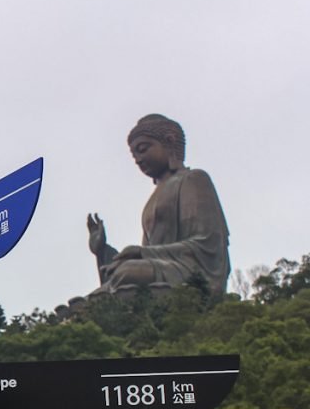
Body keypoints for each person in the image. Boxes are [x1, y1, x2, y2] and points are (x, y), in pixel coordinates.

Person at [88, 114, 230, 294]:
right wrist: (102, 251)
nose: (138, 160)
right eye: (134, 156)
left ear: (169, 142)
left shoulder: (193, 179)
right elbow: (145, 254)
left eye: (143, 149)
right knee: (103, 288)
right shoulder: (154, 198)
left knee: (128, 272)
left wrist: (143, 253)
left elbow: (208, 245)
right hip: (160, 267)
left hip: (191, 271)